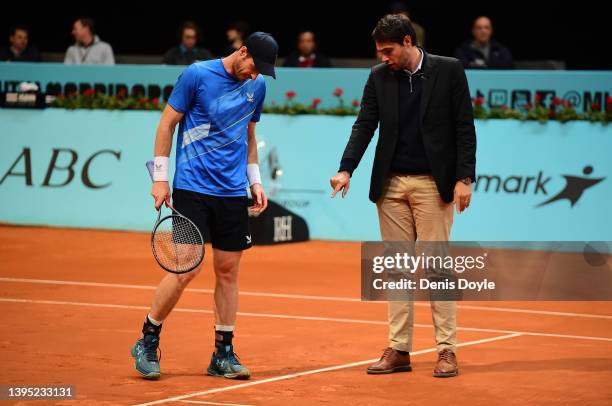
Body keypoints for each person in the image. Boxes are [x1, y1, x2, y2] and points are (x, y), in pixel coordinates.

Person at [330, 14, 476, 378]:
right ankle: (399, 349)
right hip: (391, 185)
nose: (383, 57)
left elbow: (464, 128)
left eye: (389, 50)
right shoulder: (379, 76)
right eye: (379, 51)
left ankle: (446, 350)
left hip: (432, 184)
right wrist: (346, 168)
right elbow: (364, 123)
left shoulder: (450, 70)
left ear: (408, 42)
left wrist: (465, 177)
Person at [130, 32, 279, 381]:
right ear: (241, 52)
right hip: (191, 189)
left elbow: (249, 137)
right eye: (254, 67)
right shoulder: (197, 74)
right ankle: (148, 339)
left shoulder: (256, 87)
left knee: (228, 271)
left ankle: (222, 353)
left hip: (231, 193)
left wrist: (255, 181)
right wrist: (160, 178)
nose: (255, 75)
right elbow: (167, 123)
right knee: (186, 269)